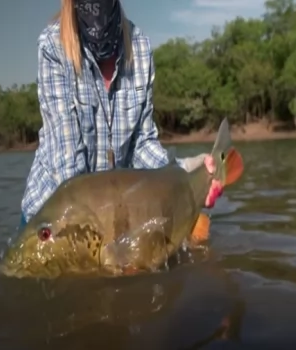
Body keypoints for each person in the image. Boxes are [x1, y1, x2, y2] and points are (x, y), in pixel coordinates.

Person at [19, 0, 223, 228]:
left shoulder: (140, 46)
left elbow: (142, 144)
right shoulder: (53, 46)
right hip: (50, 226)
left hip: (118, 217)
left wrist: (184, 174)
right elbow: (68, 167)